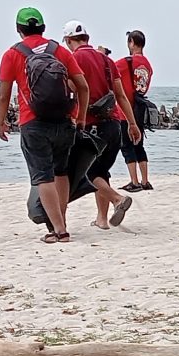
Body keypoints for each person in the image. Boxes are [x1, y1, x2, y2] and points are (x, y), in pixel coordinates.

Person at [0, 6, 91, 243]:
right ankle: (62, 221)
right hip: (63, 121)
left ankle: (59, 230)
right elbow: (83, 86)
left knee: (43, 177)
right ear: (43, 28)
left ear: (18, 29)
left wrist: (0, 121)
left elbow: (3, 95)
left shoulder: (12, 54)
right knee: (61, 172)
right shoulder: (59, 51)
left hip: (33, 122)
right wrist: (80, 116)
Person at [61, 21, 142, 230]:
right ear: (86, 38)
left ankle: (117, 199)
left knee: (89, 172)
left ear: (69, 40)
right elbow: (121, 95)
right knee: (101, 171)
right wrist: (132, 124)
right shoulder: (107, 60)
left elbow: (72, 88)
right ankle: (102, 219)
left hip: (91, 124)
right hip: (114, 124)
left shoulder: (74, 59)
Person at [116, 30, 155, 192]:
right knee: (139, 145)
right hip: (140, 108)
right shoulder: (148, 65)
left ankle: (134, 181)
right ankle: (145, 180)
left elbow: (109, 68)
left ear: (132, 42)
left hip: (125, 109)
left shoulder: (126, 62)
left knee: (126, 145)